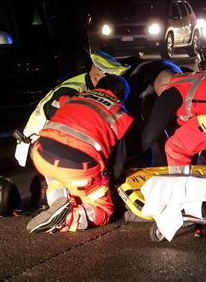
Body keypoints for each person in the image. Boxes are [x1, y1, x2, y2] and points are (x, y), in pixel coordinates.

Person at [26, 74, 133, 233]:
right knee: (103, 210)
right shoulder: (121, 114)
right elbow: (119, 163)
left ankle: (57, 204)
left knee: (58, 180)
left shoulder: (76, 97)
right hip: (76, 167)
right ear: (122, 97)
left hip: (41, 155)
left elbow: (56, 105)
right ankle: (69, 218)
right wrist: (109, 181)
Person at [22, 51, 130, 207]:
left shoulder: (87, 90)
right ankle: (61, 204)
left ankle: (59, 202)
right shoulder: (74, 90)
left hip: (49, 144)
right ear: (97, 77)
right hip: (39, 140)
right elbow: (66, 125)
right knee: (90, 191)